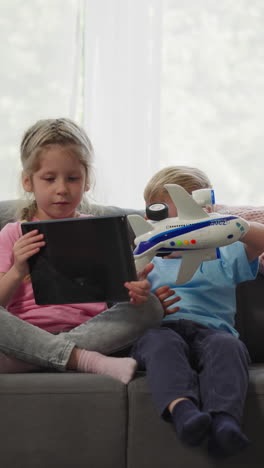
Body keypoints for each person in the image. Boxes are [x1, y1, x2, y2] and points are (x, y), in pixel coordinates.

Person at [0, 118, 163, 382]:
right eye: (49, 179)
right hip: (25, 333)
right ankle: (81, 360)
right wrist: (18, 270)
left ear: (87, 181)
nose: (62, 189)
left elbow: (121, 295)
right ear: (28, 181)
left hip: (89, 333)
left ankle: (39, 357)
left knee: (152, 307)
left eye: (73, 178)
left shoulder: (101, 231)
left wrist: (136, 291)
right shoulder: (12, 233)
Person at [129, 165, 264, 457]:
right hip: (161, 330)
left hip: (215, 333)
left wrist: (226, 223)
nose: (179, 226)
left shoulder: (225, 252)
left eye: (188, 217)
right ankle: (183, 411)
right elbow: (122, 312)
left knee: (230, 347)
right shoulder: (144, 258)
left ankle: (225, 420)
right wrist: (144, 298)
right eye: (167, 217)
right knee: (158, 342)